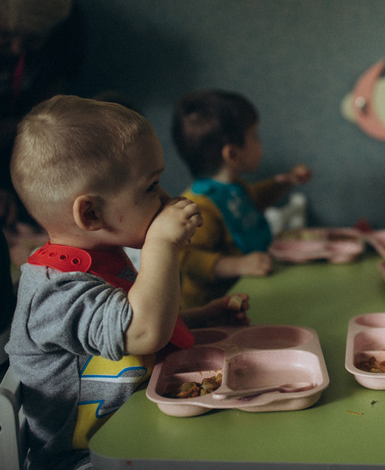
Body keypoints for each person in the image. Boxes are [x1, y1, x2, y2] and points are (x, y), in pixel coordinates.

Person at [5, 95, 251, 470]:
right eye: (151, 187)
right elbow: (141, 334)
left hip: (141, 424)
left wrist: (199, 317)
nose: (167, 197)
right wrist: (161, 244)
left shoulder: (100, 257)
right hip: (88, 458)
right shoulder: (55, 292)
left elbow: (130, 317)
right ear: (91, 213)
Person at [171, 89, 312, 309]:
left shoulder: (236, 188)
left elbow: (252, 201)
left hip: (245, 295)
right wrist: (238, 265)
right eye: (254, 135)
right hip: (207, 313)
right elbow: (187, 258)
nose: (259, 141)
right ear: (233, 155)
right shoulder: (198, 207)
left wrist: (286, 181)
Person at [1, 0, 85, 229]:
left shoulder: (66, 28)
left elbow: (48, 113)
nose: (16, 50)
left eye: (32, 38)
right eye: (5, 35)